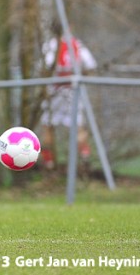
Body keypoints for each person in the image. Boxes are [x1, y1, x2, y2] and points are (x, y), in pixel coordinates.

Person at [40, 24, 97, 172]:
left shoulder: (51, 46)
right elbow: (91, 65)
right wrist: (77, 76)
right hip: (73, 91)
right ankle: (85, 158)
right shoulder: (77, 45)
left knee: (48, 126)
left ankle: (49, 163)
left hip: (55, 90)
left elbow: (45, 66)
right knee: (78, 126)